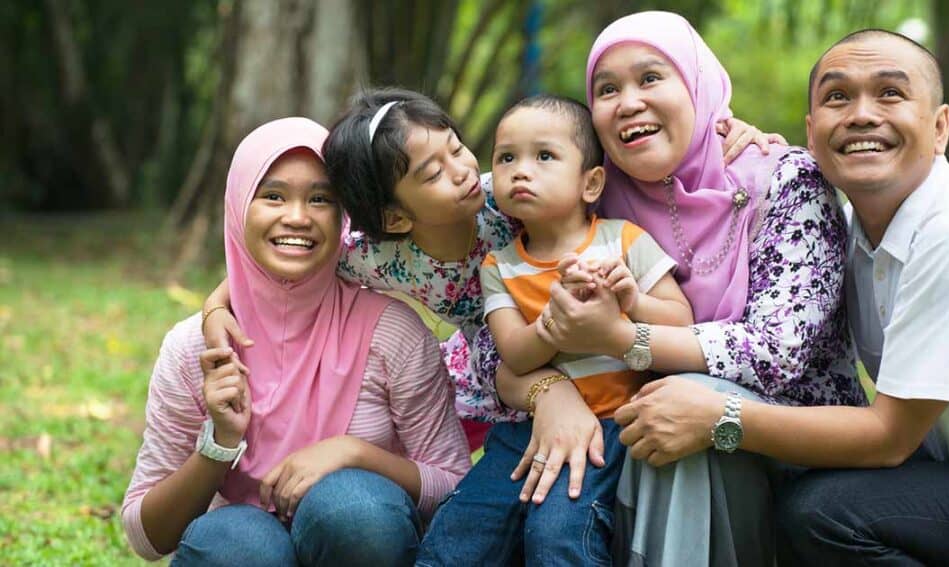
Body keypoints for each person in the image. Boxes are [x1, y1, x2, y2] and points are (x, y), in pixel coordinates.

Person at [614, 28, 949, 566]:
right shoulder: (859, 228)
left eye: (890, 93)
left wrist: (721, 417)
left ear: (940, 126)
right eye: (838, 97)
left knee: (825, 515)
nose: (861, 115)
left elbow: (887, 439)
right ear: (811, 135)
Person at [200, 89, 778, 449]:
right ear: (396, 218)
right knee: (451, 456)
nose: (460, 170)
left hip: (572, 341)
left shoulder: (508, 200)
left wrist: (732, 132)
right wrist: (213, 308)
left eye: (456, 148)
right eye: (432, 173)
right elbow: (296, 254)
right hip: (490, 358)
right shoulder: (377, 253)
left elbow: (586, 157)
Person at [494, 11, 868, 566]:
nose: (627, 101)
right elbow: (453, 207)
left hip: (795, 457)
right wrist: (552, 393)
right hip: (641, 442)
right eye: (607, 89)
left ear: (699, 86)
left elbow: (775, 354)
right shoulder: (589, 194)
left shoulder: (784, 180)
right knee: (659, 410)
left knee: (683, 395)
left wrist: (622, 337)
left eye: (650, 78)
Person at [121, 117, 470, 565]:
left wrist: (354, 455)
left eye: (321, 198)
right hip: (243, 548)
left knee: (351, 511)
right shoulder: (196, 348)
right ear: (237, 206)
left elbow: (454, 482)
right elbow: (147, 537)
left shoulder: (390, 332)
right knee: (238, 546)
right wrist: (220, 444)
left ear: (342, 215)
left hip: (360, 539)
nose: (298, 217)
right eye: (273, 195)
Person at [417, 95, 694, 565]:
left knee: (558, 535)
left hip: (609, 426)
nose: (521, 170)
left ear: (591, 183)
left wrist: (632, 300)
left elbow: (682, 322)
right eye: (507, 157)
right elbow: (516, 355)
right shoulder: (499, 266)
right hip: (525, 427)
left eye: (544, 156)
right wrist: (553, 323)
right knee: (460, 533)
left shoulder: (621, 241)